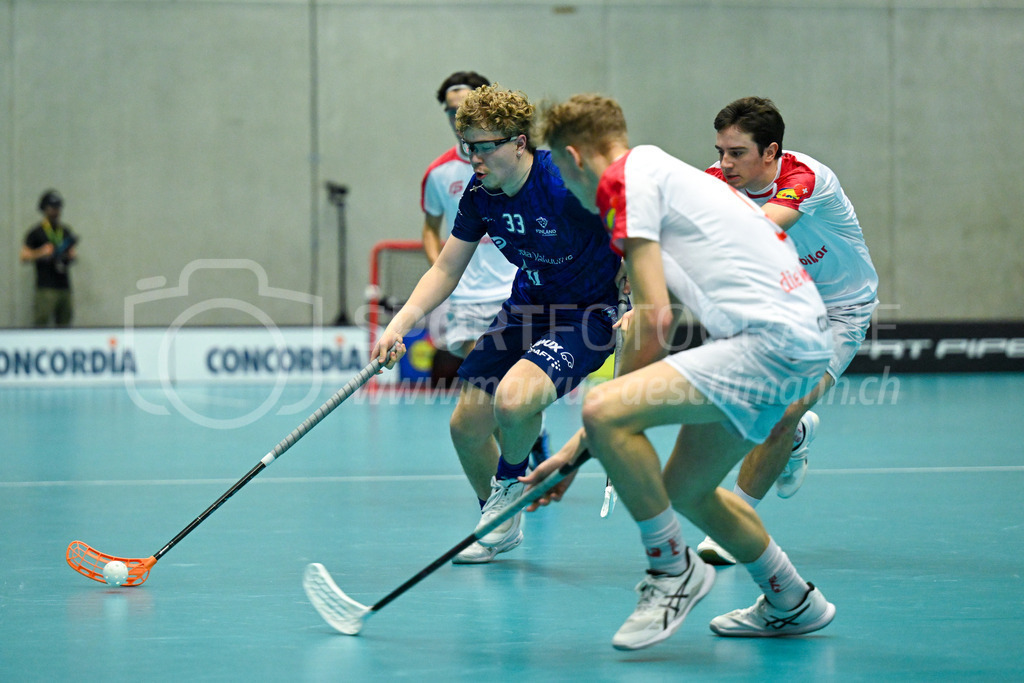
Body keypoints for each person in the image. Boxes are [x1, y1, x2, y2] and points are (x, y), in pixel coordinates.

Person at [531, 93, 836, 650]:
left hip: (769, 343)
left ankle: (672, 572)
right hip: (799, 341)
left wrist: (585, 439)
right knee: (688, 490)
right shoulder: (658, 170)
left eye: (558, 168)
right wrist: (584, 446)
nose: (565, 187)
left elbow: (654, 318)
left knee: (602, 407)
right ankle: (793, 599)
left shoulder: (621, 183)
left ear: (573, 157)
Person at [372, 85, 622, 565]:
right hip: (528, 306)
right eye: (469, 146)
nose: (475, 158)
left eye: (486, 146)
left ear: (520, 142)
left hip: (590, 313)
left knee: (514, 397)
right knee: (466, 426)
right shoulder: (480, 195)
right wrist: (399, 325)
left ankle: (508, 488)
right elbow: (446, 268)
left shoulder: (563, 182)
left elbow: (628, 226)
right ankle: (500, 519)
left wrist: (633, 286)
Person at [695, 96, 880, 565]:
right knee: (743, 411)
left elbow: (763, 229)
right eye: (721, 151)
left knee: (780, 412)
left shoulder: (807, 178)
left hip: (840, 308)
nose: (725, 162)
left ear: (771, 152)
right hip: (778, 308)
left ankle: (735, 524)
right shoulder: (714, 182)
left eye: (737, 152)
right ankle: (795, 437)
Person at [420, 71, 550, 467]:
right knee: (489, 385)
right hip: (466, 295)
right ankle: (528, 438)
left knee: (492, 381)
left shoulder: (529, 167)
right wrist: (443, 271)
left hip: (512, 292)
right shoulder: (440, 173)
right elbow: (430, 230)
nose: (457, 113)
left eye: (465, 105)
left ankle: (514, 462)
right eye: (451, 110)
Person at [20, 189, 79, 327]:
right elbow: (24, 256)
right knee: (41, 323)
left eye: (58, 208)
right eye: (52, 208)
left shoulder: (64, 231)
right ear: (44, 209)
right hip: (46, 287)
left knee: (65, 324)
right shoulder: (36, 232)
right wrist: (41, 252)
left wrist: (72, 256)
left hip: (64, 286)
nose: (55, 211)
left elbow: (72, 253)